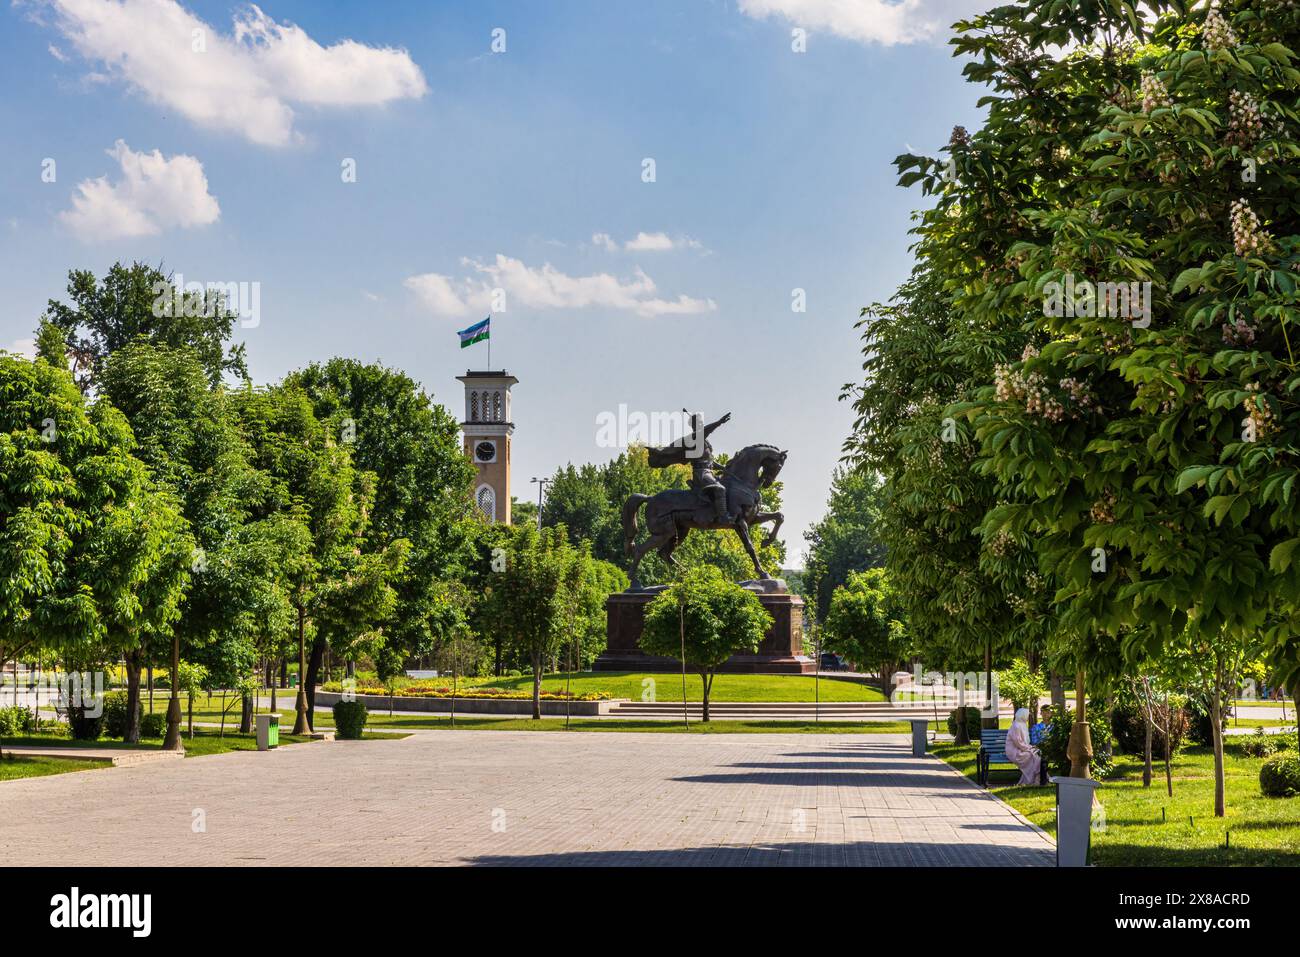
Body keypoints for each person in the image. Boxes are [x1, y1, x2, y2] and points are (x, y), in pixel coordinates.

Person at [1004, 707, 1042, 786]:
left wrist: (1030, 748)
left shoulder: (1022, 724)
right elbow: (1018, 742)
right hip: (1014, 751)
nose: (1028, 717)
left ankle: (1036, 778)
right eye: (1027, 715)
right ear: (1023, 715)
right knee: (1032, 756)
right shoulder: (1016, 726)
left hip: (1021, 749)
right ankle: (1033, 779)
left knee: (1035, 755)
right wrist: (1029, 748)